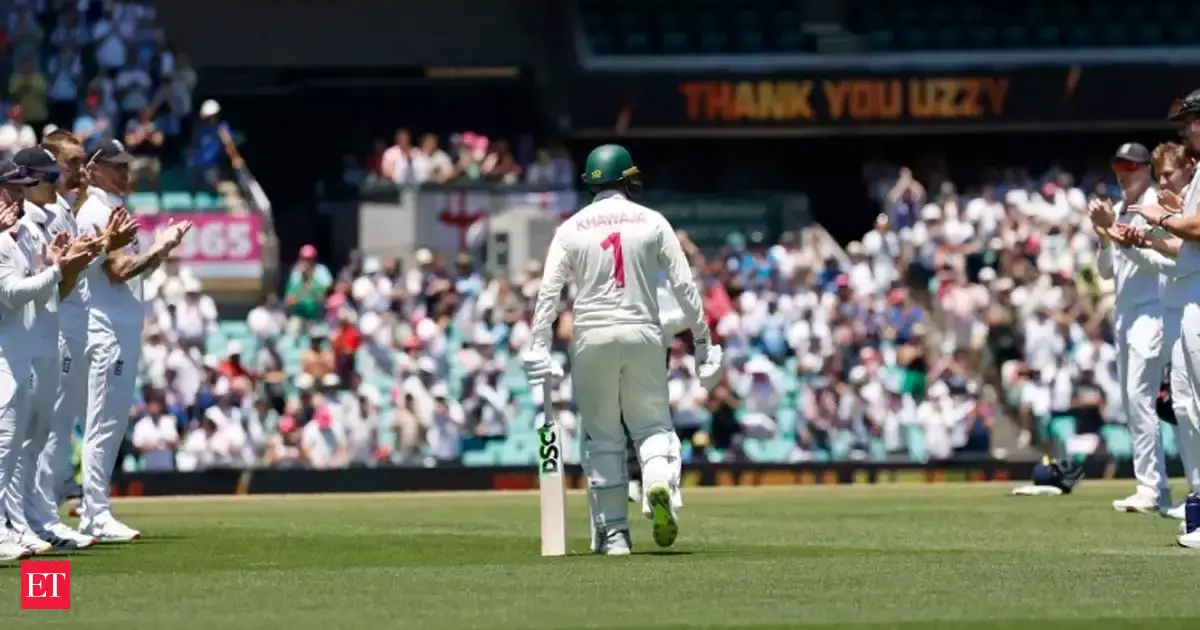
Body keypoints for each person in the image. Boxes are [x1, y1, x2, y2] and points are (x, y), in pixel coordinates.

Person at [520, 144, 723, 555]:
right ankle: (658, 482)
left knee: (602, 435)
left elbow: (548, 293)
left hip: (591, 337)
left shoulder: (571, 228)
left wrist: (539, 345)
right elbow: (684, 286)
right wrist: (703, 342)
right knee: (651, 426)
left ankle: (614, 535)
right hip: (643, 331)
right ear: (626, 179)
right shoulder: (652, 221)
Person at [74, 138, 191, 542]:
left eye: (126, 165)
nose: (125, 172)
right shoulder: (96, 210)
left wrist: (159, 252)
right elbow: (120, 271)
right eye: (115, 165)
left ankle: (95, 510)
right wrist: (163, 248)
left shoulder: (113, 208)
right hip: (106, 329)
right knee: (103, 423)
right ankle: (94, 514)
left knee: (110, 422)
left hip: (120, 326)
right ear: (94, 168)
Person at [7, 146, 123, 551]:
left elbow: (59, 289)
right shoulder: (27, 224)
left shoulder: (40, 223)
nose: (62, 181)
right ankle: (16, 521)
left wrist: (71, 264)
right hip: (25, 342)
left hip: (45, 335)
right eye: (55, 175)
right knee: (17, 439)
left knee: (35, 436)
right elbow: (16, 292)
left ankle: (29, 518)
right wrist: (67, 265)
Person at [0, 157, 97, 561]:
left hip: (27, 349)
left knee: (22, 441)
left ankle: (16, 524)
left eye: (24, 189)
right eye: (14, 189)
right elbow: (11, 294)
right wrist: (58, 271)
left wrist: (57, 266)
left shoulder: (20, 234)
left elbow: (40, 293)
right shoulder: (6, 238)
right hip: (9, 352)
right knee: (6, 443)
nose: (20, 197)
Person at [1126, 89, 1200, 545]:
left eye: (1191, 121)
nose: (1186, 130)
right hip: (1190, 292)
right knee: (1190, 406)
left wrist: (1162, 218)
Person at [1089, 142, 1173, 514]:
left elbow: (1162, 260)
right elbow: (1106, 271)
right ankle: (1157, 489)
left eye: (1131, 168)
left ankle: (1151, 487)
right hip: (1126, 315)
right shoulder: (1122, 207)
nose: (1123, 176)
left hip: (1152, 312)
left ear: (1146, 170)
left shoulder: (1158, 204)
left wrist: (1118, 234)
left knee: (1143, 398)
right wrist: (1104, 236)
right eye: (1119, 169)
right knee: (1133, 400)